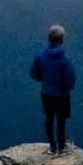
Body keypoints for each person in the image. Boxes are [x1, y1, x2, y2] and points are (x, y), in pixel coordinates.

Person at [30, 23, 76, 155]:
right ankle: (61, 148)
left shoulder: (40, 56)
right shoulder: (65, 59)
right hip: (62, 95)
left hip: (46, 93)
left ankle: (52, 147)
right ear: (62, 40)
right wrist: (66, 88)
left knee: (49, 119)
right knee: (61, 121)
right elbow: (71, 78)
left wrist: (45, 80)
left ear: (49, 38)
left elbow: (33, 73)